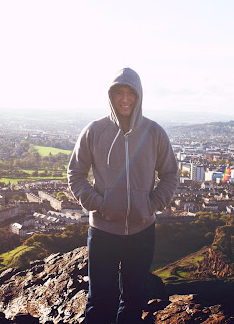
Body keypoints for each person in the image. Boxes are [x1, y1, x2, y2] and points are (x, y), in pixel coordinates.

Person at [68, 67, 179, 324]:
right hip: (103, 231)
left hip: (142, 231)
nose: (125, 98)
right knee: (100, 302)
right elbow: (75, 173)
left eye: (131, 93)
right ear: (111, 95)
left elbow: (170, 174)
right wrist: (99, 205)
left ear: (139, 96)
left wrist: (151, 205)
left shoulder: (154, 133)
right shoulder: (94, 131)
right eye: (120, 92)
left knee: (133, 301)